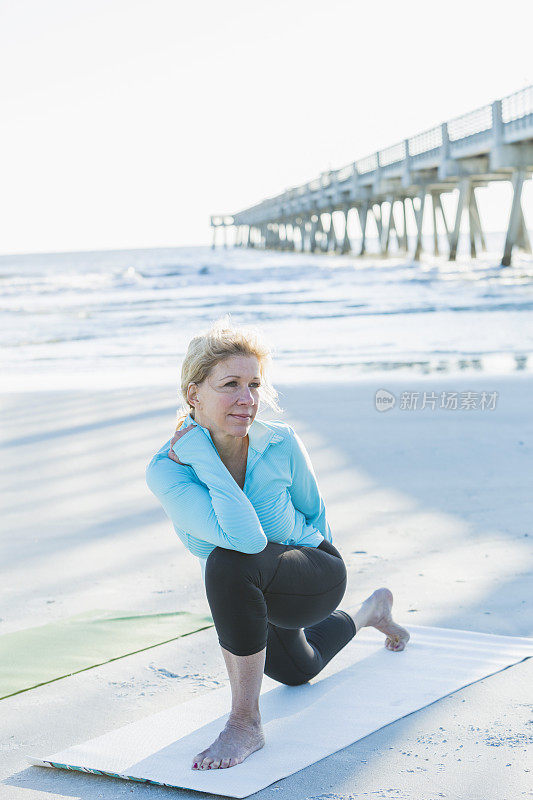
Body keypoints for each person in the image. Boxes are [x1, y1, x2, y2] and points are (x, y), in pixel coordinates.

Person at [145, 314, 410, 772]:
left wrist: (316, 570)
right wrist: (203, 455)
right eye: (230, 384)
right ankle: (373, 611)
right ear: (194, 394)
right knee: (296, 671)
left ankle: (244, 721)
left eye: (254, 384)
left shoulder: (280, 441)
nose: (247, 399)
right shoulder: (169, 469)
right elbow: (245, 539)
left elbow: (312, 512)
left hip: (313, 570)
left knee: (228, 563)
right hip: (255, 592)